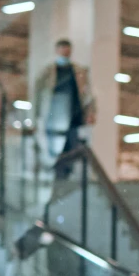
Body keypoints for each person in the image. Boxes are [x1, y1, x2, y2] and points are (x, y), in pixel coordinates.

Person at [31, 39, 93, 179]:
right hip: (53, 116)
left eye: (67, 49)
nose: (66, 52)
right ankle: (56, 173)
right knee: (53, 147)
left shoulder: (79, 72)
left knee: (71, 147)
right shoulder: (47, 73)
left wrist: (90, 113)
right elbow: (37, 96)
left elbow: (88, 95)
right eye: (63, 49)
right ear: (57, 50)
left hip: (73, 117)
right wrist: (34, 118)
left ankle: (65, 173)